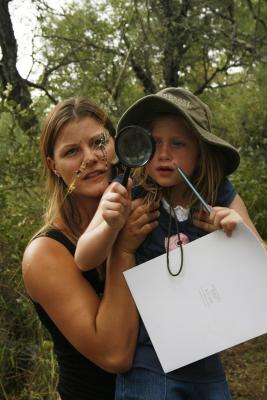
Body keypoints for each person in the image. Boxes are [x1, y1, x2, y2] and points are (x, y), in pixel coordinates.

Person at [75, 87, 265, 400]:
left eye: (178, 143)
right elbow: (84, 258)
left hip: (205, 355)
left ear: (201, 150)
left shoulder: (219, 194)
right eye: (155, 143)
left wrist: (238, 232)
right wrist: (110, 225)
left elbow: (261, 265)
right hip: (145, 359)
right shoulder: (127, 190)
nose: (164, 154)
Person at [21, 97, 158, 400]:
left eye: (99, 142)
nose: (91, 157)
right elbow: (114, 356)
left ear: (115, 144)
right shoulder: (45, 254)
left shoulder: (145, 203)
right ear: (53, 166)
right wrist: (123, 248)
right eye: (71, 151)